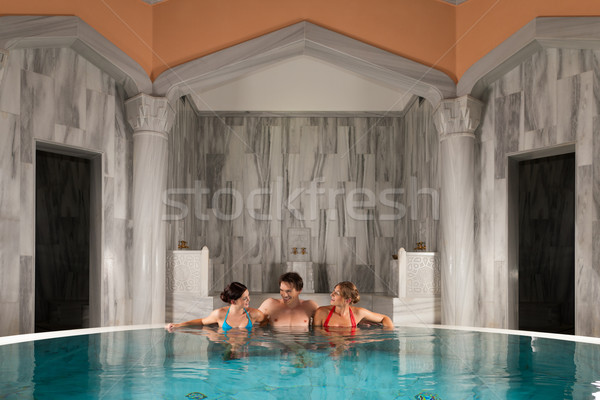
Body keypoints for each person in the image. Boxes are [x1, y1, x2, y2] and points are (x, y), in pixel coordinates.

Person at [165, 282, 265, 331]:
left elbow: (266, 321)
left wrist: (257, 332)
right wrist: (179, 325)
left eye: (248, 296)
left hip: (246, 348)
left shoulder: (253, 314)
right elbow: (202, 322)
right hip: (227, 347)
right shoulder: (220, 314)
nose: (249, 300)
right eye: (244, 298)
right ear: (233, 301)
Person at [313, 281, 393, 328]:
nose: (331, 294)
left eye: (337, 293)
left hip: (351, 349)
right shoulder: (321, 312)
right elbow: (315, 336)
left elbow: (385, 318)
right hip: (329, 350)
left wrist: (388, 336)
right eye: (333, 291)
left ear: (347, 300)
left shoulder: (358, 313)